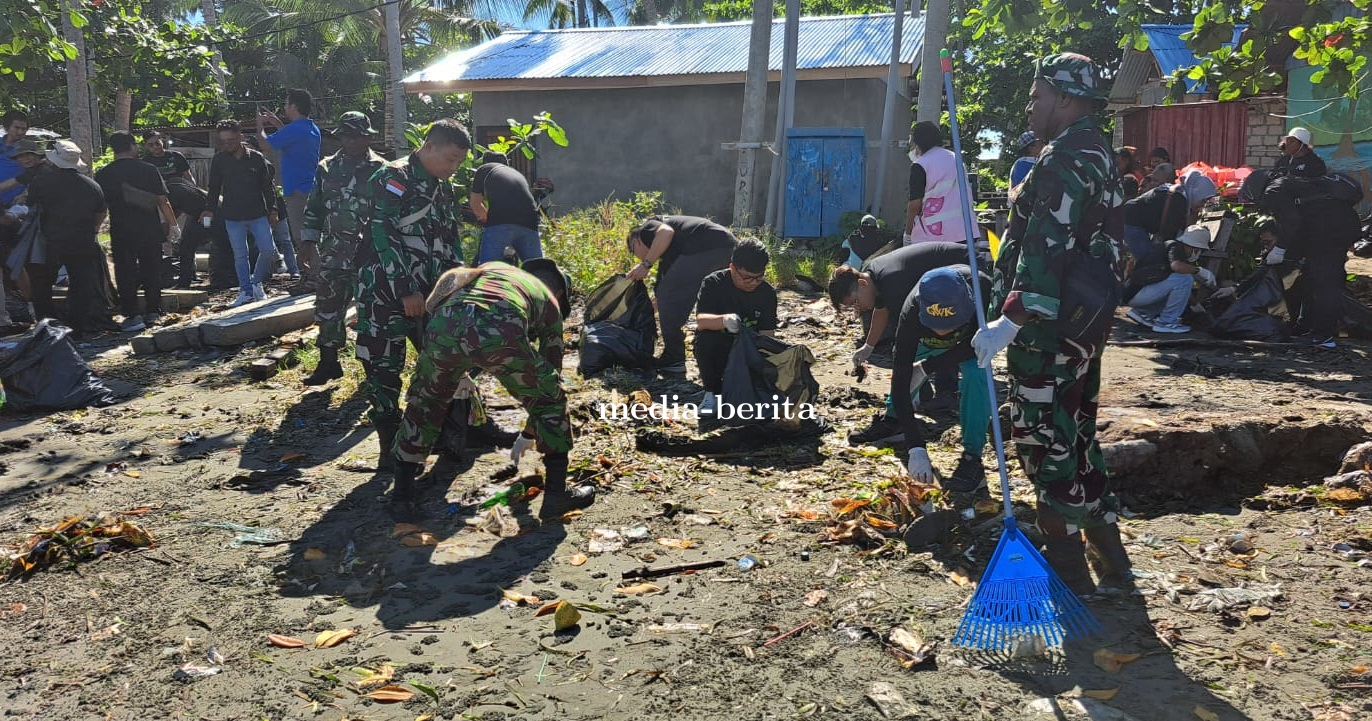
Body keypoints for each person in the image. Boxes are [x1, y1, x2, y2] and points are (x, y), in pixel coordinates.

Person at [971, 53, 1133, 597]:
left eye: (1037, 95)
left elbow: (1046, 251)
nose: (1029, 105)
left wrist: (1008, 321)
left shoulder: (1062, 160)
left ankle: (1067, 573)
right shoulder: (1100, 153)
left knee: (1044, 444)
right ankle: (1112, 563)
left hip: (1048, 333)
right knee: (1079, 436)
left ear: (1065, 98)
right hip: (1084, 330)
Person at [389, 259, 594, 520]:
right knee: (550, 399)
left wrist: (452, 364)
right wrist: (532, 431)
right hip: (499, 325)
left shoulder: (493, 270)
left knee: (425, 403)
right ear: (560, 293)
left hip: (445, 323)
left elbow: (443, 288)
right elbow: (550, 378)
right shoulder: (548, 301)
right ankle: (556, 495)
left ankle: (402, 498)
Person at [354, 118, 470, 469]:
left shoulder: (443, 188)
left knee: (445, 363)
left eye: (460, 163)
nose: (454, 168)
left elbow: (451, 239)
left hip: (433, 293)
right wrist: (405, 289)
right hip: (386, 291)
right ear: (429, 146)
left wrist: (460, 284)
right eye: (450, 159)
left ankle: (448, 437)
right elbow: (382, 233)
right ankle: (390, 447)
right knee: (383, 367)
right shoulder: (394, 177)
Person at [827, 241, 968, 443]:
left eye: (856, 303)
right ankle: (921, 395)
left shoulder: (894, 283)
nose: (859, 309)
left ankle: (895, 419)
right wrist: (868, 347)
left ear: (862, 284)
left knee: (922, 347)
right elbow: (881, 310)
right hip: (949, 273)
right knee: (920, 350)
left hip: (966, 270)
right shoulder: (872, 274)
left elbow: (912, 332)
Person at [300, 112, 386, 385]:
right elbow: (314, 208)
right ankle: (328, 363)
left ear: (367, 136)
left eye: (355, 135)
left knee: (370, 312)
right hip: (334, 252)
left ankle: (372, 369)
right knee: (327, 307)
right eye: (345, 135)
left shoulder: (382, 168)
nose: (350, 141)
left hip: (370, 255)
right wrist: (308, 244)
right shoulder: (327, 167)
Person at [894, 265, 994, 491]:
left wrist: (928, 367)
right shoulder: (910, 312)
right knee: (902, 390)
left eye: (950, 325)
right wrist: (915, 447)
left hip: (968, 346)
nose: (944, 332)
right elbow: (900, 378)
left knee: (977, 373)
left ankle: (972, 456)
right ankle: (894, 422)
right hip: (924, 345)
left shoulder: (983, 291)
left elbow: (980, 347)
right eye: (936, 326)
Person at [24, 140, 117, 336]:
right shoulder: (91, 185)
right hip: (82, 240)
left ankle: (46, 325)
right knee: (81, 284)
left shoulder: (41, 182)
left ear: (54, 161)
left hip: (49, 240)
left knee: (42, 283)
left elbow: (31, 208)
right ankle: (79, 325)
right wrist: (92, 230)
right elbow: (100, 212)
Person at [625, 214, 736, 376]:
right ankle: (730, 354)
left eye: (635, 253)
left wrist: (645, 264)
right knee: (716, 302)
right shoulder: (672, 253)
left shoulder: (647, 230)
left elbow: (665, 233)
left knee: (668, 294)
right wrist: (640, 314)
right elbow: (662, 296)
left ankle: (674, 357)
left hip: (706, 247)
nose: (638, 257)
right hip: (727, 246)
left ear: (636, 242)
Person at [94, 131, 180, 332]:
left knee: (125, 271)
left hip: (121, 229)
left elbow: (102, 207)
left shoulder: (104, 173)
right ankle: (152, 311)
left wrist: (95, 229)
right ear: (132, 146)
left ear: (113, 149)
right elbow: (163, 201)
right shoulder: (148, 169)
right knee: (152, 268)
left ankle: (132, 315)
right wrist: (173, 225)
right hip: (148, 227)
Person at [692, 238, 778, 413]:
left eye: (759, 277)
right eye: (747, 278)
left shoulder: (767, 293)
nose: (753, 282)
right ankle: (712, 394)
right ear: (732, 268)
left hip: (749, 351)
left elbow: (767, 334)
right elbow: (701, 321)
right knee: (704, 340)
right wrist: (724, 321)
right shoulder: (714, 283)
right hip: (720, 345)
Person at [202, 120, 278, 307]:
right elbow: (213, 188)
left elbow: (268, 187)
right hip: (232, 215)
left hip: (257, 213)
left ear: (240, 137)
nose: (228, 145)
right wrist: (209, 209)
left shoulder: (257, 158)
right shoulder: (219, 160)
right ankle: (245, 290)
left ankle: (256, 281)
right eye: (224, 142)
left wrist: (273, 209)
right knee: (240, 255)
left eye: (231, 140)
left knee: (268, 250)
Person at [259, 88, 322, 291]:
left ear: (294, 107)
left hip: (297, 191)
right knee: (309, 234)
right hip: (309, 187)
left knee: (302, 237)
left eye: (286, 104)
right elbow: (288, 134)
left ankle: (312, 278)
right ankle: (313, 276)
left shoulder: (294, 131)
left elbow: (265, 145)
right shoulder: (310, 128)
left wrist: (259, 125)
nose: (285, 107)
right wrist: (276, 123)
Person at [1122, 224, 1215, 334]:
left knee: (1183, 280)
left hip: (1133, 294)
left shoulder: (1174, 250)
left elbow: (1180, 291)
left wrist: (1196, 306)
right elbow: (1176, 266)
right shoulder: (1175, 247)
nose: (1199, 253)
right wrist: (1199, 271)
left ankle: (1143, 313)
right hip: (1136, 293)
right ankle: (1166, 322)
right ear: (1194, 247)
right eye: (1199, 250)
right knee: (1185, 279)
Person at [1121, 168, 1218, 261]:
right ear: (1197, 193)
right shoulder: (1178, 199)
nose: (1203, 205)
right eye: (1203, 200)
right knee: (1147, 261)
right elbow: (1169, 233)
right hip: (1133, 221)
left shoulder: (1180, 193)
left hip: (1134, 219)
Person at [905, 121, 972, 246]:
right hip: (966, 232)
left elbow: (915, 204)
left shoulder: (920, 165)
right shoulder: (956, 158)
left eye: (912, 143)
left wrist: (908, 233)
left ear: (918, 143)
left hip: (933, 239)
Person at [471, 151, 542, 264]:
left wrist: (486, 219)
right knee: (537, 269)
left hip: (501, 223)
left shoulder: (484, 168)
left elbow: (475, 203)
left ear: (485, 162)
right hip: (531, 223)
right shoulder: (515, 173)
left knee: (489, 270)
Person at [0, 111, 30, 207]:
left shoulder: (28, 150)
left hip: (13, 205)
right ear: (6, 127)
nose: (20, 132)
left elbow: (36, 174)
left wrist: (25, 194)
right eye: (17, 128)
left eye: (23, 129)